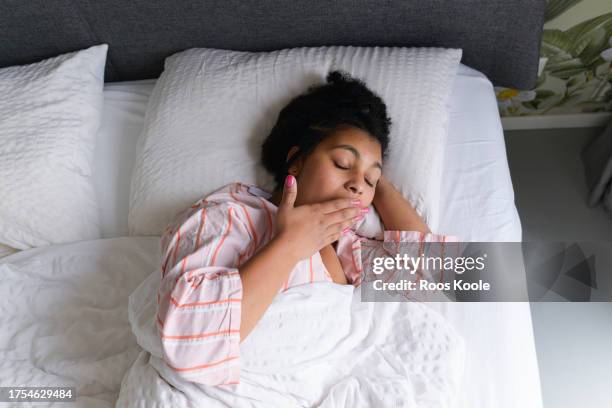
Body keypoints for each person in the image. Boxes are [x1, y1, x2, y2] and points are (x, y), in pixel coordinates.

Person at [156, 70, 457, 386]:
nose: (358, 185)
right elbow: (191, 346)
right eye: (342, 163)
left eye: (370, 180)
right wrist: (290, 245)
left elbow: (440, 278)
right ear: (296, 161)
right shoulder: (227, 215)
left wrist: (378, 184)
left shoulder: (344, 246)